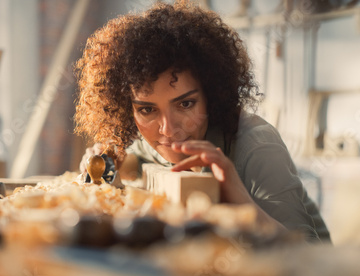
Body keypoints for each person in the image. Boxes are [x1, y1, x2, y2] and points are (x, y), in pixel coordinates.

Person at [74, 1, 330, 243]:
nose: (168, 130)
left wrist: (239, 199)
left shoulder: (257, 146)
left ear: (212, 94)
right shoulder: (151, 140)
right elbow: (134, 160)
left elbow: (310, 258)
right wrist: (106, 164)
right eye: (148, 110)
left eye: (185, 104)